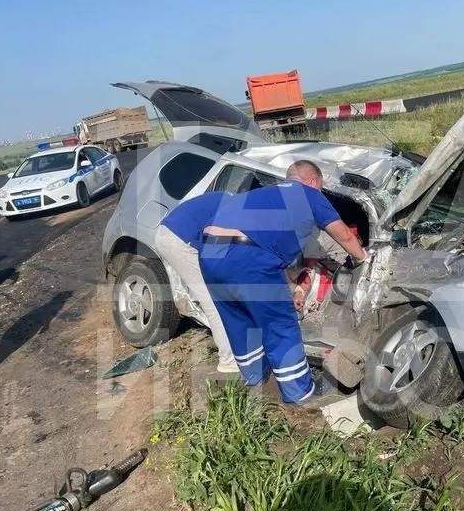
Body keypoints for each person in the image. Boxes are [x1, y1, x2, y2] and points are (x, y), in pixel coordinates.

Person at [198, 160, 368, 404]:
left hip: (209, 254)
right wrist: (364, 257)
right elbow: (343, 234)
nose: (320, 191)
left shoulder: (262, 194)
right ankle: (299, 394)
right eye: (320, 186)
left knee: (240, 322)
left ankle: (255, 379)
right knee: (280, 325)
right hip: (248, 256)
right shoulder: (309, 194)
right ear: (312, 181)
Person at [154, 191, 238, 374]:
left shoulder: (233, 201)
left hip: (172, 233)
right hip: (179, 241)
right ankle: (229, 360)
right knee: (213, 300)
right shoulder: (236, 212)